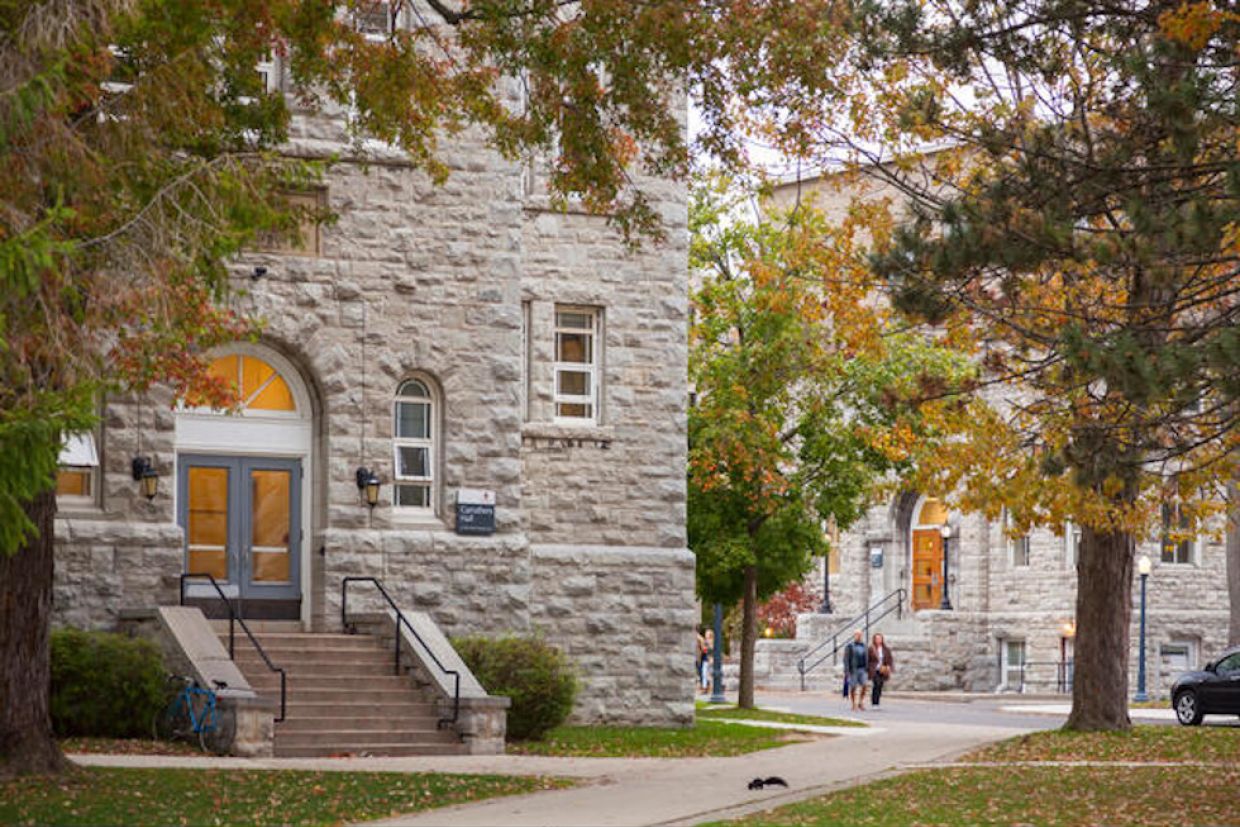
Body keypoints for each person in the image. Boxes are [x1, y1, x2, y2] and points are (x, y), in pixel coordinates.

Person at [843, 630, 869, 711]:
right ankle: (853, 703)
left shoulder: (864, 646)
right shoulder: (850, 646)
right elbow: (846, 659)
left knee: (864, 685)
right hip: (853, 669)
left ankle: (860, 701)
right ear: (854, 636)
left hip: (863, 668)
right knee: (853, 687)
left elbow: (867, 657)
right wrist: (847, 671)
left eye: (860, 635)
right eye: (857, 635)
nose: (858, 636)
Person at [868, 633, 894, 708]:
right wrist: (868, 668)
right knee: (876, 684)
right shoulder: (871, 649)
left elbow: (889, 659)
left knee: (880, 685)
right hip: (874, 669)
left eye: (880, 638)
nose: (878, 640)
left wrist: (889, 666)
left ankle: (877, 701)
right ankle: (874, 702)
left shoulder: (886, 649)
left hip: (883, 669)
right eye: (877, 639)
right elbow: (868, 659)